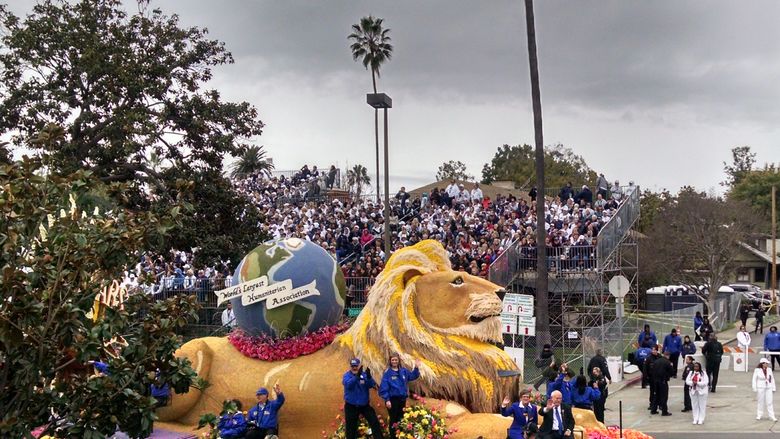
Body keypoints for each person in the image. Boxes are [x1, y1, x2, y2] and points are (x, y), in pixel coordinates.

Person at [342, 358, 384, 439]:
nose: (354, 368)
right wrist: (356, 377)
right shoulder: (346, 375)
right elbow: (348, 385)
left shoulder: (363, 375)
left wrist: (369, 377)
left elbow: (371, 385)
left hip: (364, 405)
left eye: (356, 366)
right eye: (353, 366)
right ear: (350, 366)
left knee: (374, 422)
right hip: (351, 406)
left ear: (359, 366)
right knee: (351, 428)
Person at [379, 354, 421, 434]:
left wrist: (416, 367)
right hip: (392, 400)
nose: (394, 361)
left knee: (401, 419)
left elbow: (413, 376)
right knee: (393, 420)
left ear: (398, 361)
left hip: (402, 400)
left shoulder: (403, 371)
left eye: (396, 360)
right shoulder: (387, 373)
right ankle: (393, 436)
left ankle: (400, 435)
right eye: (393, 360)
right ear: (390, 361)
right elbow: (384, 388)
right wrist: (387, 399)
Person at [650, 352, 673, 416]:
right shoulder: (667, 362)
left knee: (656, 395)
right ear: (668, 356)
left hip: (656, 381)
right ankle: (664, 411)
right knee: (664, 397)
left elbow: (652, 370)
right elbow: (672, 372)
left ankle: (653, 410)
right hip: (663, 381)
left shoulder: (656, 361)